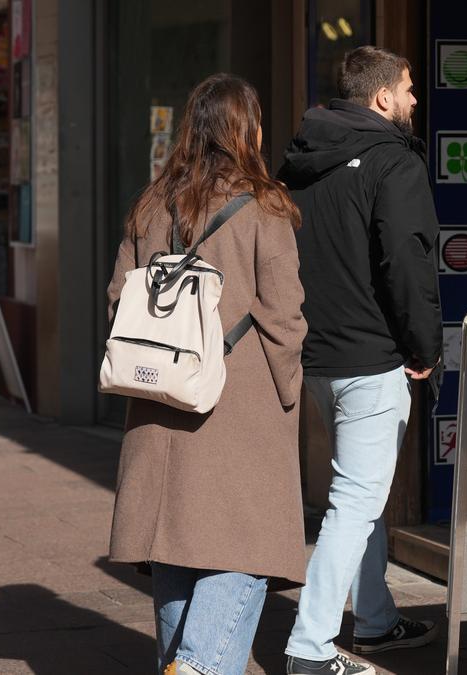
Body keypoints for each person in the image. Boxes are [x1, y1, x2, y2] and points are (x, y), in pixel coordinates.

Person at [105, 73, 307, 675]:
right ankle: (199, 665)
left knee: (176, 543)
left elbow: (120, 298)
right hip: (239, 397)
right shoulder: (264, 206)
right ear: (247, 129)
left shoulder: (149, 203)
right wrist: (287, 388)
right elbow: (285, 312)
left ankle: (182, 663)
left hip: (158, 395)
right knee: (246, 543)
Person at [278, 46, 443, 675]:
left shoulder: (298, 162)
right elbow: (408, 260)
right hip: (373, 357)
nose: (414, 99)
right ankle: (310, 647)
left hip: (313, 355)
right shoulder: (392, 161)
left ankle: (373, 619)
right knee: (355, 502)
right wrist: (423, 346)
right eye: (407, 88)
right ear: (381, 99)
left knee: (357, 492)